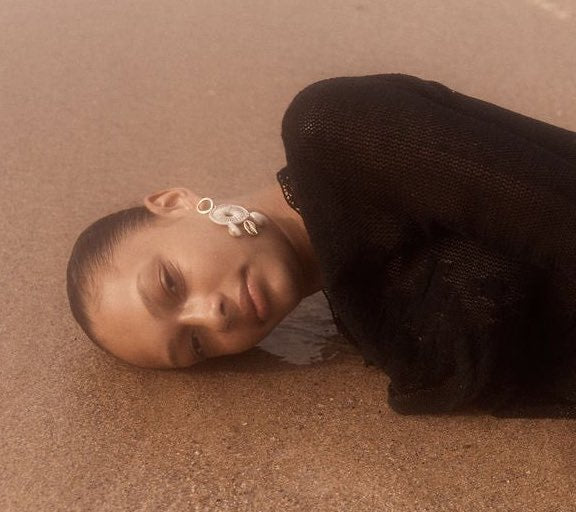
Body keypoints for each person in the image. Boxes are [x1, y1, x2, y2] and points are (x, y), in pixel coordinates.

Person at [67, 73, 576, 415]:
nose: (213, 315)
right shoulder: (366, 322)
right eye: (195, 345)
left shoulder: (332, 130)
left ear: (175, 202)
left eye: (170, 283)